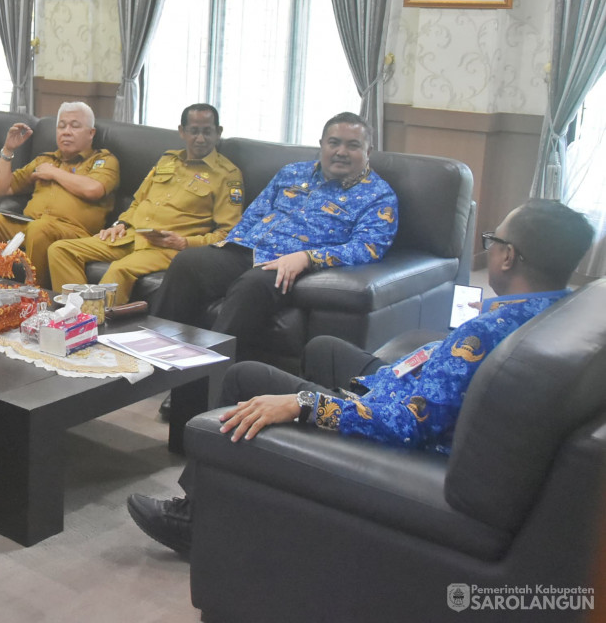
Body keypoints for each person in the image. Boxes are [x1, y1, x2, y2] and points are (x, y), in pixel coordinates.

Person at [127, 199, 595, 557]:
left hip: (395, 425)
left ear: (508, 257)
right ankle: (286, 487)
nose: (488, 248)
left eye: (493, 240)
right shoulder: (555, 311)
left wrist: (306, 406)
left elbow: (405, 425)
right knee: (323, 349)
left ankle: (192, 521)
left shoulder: (486, 333)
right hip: (403, 388)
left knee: (245, 378)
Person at [152, 112, 399, 363]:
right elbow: (253, 215)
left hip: (290, 265)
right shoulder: (292, 172)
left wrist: (307, 257)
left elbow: (368, 247)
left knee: (251, 286)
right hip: (246, 250)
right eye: (334, 143)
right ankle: (152, 359)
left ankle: (202, 384)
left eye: (353, 145)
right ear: (322, 144)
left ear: (369, 151)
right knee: (188, 263)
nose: (341, 151)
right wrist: (228, 245)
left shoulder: (378, 195)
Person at [48, 104, 242, 306]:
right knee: (61, 250)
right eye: (194, 131)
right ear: (182, 132)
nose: (200, 138)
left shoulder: (227, 176)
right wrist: (121, 223)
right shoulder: (168, 160)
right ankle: (74, 315)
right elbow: (139, 201)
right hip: (131, 236)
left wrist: (185, 243)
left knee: (118, 270)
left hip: (167, 248)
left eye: (207, 131)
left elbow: (227, 235)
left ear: (218, 132)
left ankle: (91, 325)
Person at [0, 102, 119, 288]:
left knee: (40, 229)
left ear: (91, 133)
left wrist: (54, 173)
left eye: (75, 126)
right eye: (61, 126)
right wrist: (8, 151)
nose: (66, 131)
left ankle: (35, 300)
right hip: (30, 225)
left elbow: (94, 189)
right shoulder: (45, 159)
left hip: (74, 233)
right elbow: (1, 189)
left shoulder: (103, 160)